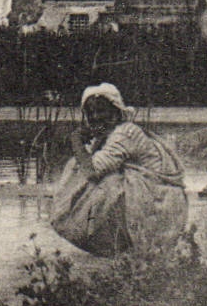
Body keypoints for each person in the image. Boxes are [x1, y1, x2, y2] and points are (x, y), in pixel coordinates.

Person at [49, 83, 188, 256]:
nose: (95, 117)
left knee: (107, 182)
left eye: (101, 111)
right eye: (90, 113)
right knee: (88, 172)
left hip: (160, 203)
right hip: (156, 200)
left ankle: (121, 245)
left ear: (116, 111)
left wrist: (76, 140)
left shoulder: (125, 133)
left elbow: (92, 171)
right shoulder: (112, 133)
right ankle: (118, 246)